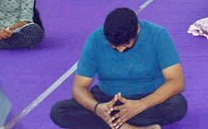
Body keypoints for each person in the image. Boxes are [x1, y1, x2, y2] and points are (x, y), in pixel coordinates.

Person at [49, 7, 187, 128]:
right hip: (107, 99)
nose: (120, 50)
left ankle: (113, 122)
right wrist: (98, 108)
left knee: (177, 105)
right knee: (59, 111)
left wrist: (140, 105)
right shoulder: (95, 40)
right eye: (114, 46)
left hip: (149, 97)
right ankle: (128, 127)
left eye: (126, 45)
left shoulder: (158, 35)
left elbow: (176, 81)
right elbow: (79, 87)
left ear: (137, 29)